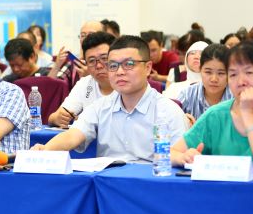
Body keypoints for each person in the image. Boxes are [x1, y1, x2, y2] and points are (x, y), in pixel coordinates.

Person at [32, 35, 187, 163]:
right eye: (113, 66)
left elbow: (180, 156)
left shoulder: (169, 111)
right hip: (107, 184)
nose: (119, 72)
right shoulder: (100, 106)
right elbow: (73, 135)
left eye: (129, 64)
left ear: (147, 68)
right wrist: (45, 149)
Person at [171, 40, 253, 170]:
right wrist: (184, 157)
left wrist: (248, 113)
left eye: (249, 73)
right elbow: (171, 152)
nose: (241, 82)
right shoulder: (215, 115)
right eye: (233, 74)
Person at [48, 32, 116, 128]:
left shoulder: (127, 84)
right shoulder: (85, 83)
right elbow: (53, 117)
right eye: (91, 61)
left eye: (104, 58)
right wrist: (58, 118)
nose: (98, 66)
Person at [174, 44, 233, 125]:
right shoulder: (187, 95)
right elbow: (169, 120)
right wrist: (182, 121)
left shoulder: (237, 98)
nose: (214, 79)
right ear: (200, 70)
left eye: (221, 73)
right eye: (208, 72)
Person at [50, 20, 104, 88]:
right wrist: (57, 65)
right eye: (83, 35)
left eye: (91, 35)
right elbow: (51, 86)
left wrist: (89, 77)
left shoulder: (108, 62)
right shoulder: (75, 62)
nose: (86, 39)